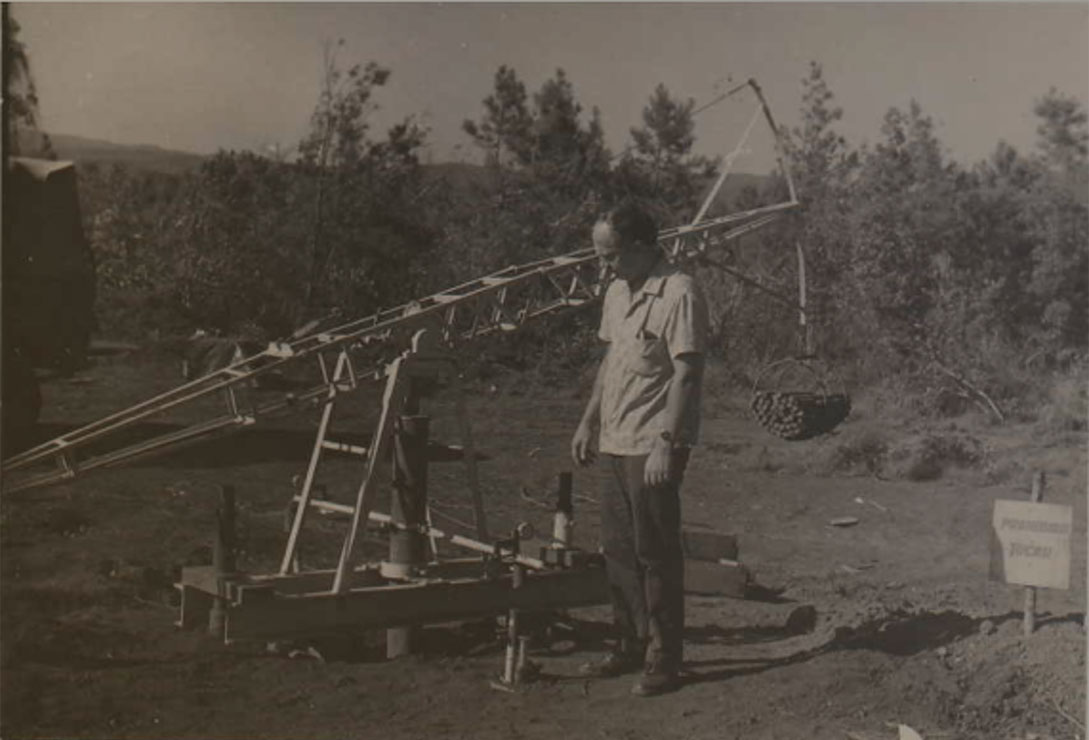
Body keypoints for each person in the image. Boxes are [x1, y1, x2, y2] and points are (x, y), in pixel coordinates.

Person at [571, 201, 709, 697]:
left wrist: (665, 444)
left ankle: (664, 658)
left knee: (655, 550)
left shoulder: (680, 291)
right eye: (599, 256)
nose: (604, 266)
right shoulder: (616, 292)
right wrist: (589, 420)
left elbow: (687, 374)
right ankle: (628, 642)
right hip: (615, 437)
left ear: (641, 246)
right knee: (619, 549)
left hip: (653, 441)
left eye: (610, 256)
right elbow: (612, 361)